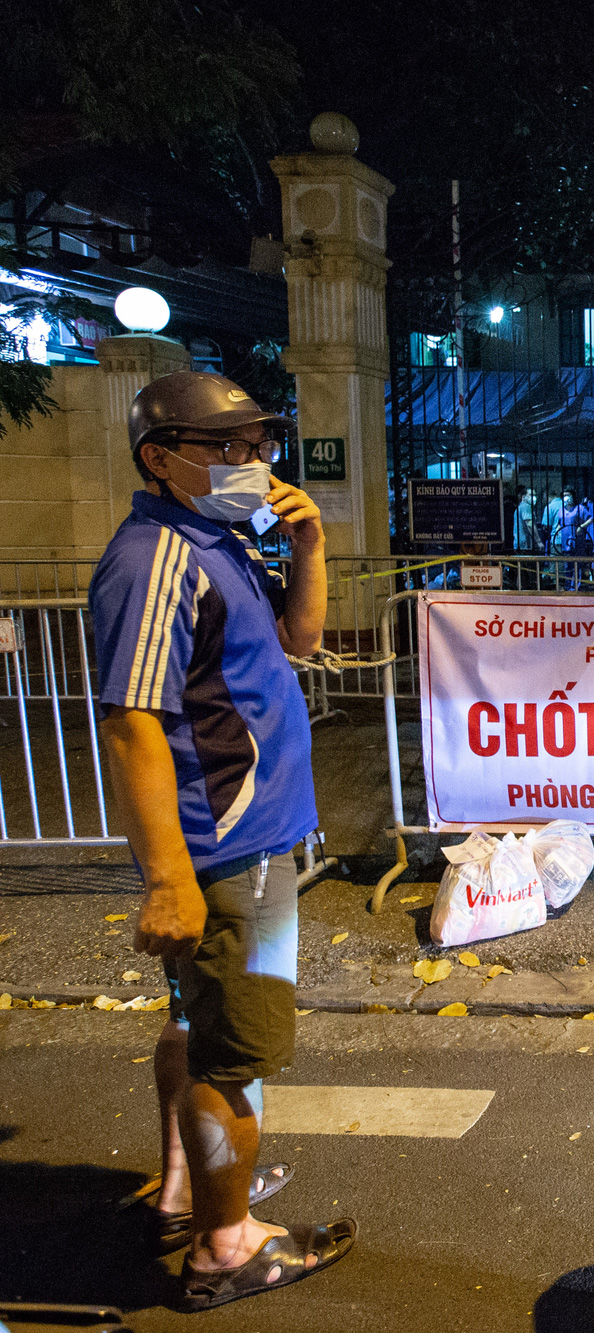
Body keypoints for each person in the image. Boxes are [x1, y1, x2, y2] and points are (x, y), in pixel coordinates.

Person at [91, 371, 356, 1310]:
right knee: (234, 1055)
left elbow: (301, 639)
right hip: (228, 856)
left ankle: (187, 1189)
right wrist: (169, 879)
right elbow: (131, 723)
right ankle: (225, 1243)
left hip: (252, 843)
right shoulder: (156, 556)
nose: (253, 461)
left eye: (259, 444)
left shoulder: (218, 540)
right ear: (160, 458)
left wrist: (310, 539)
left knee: (197, 1024)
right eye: (229, 446)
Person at [513, 486, 540, 554]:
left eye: (535, 495)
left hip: (521, 544)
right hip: (525, 545)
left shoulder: (521, 507)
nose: (534, 497)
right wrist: (538, 541)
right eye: (531, 495)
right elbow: (529, 524)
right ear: (523, 497)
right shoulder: (525, 507)